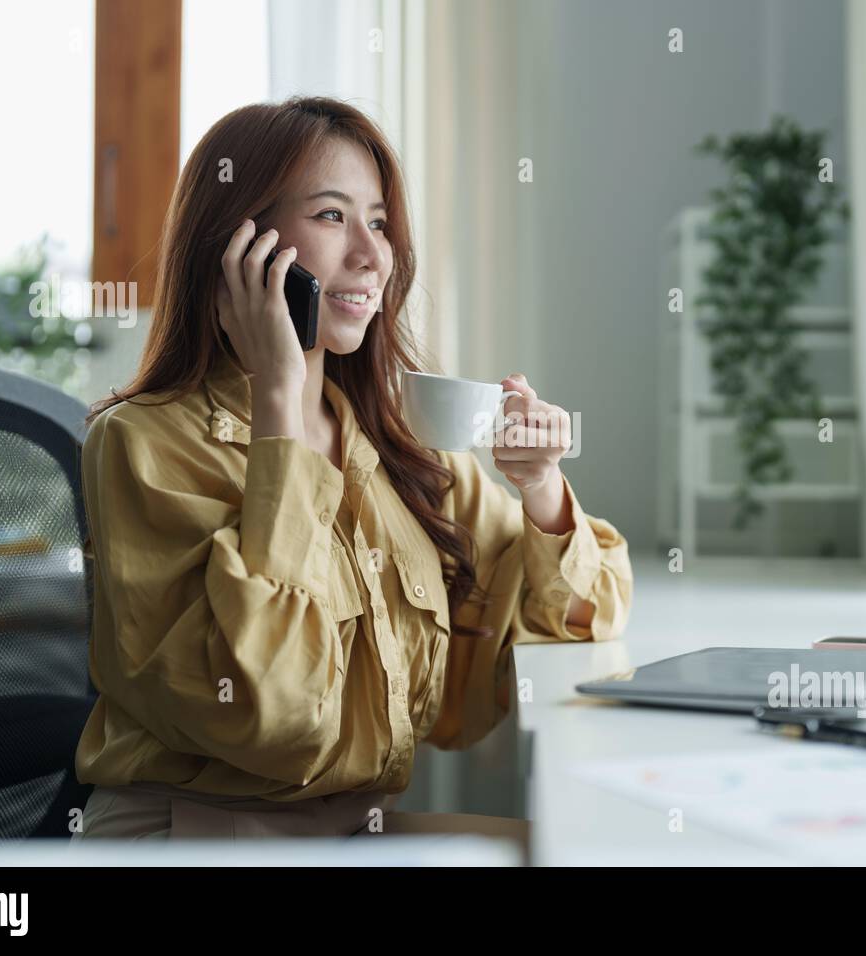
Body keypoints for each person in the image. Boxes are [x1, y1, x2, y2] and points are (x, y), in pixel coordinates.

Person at [69, 96, 633, 856]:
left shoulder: (397, 444)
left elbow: (573, 627)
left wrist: (539, 493)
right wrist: (278, 399)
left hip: (346, 838)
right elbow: (272, 713)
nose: (373, 255)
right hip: (195, 839)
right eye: (333, 217)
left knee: (586, 855)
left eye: (379, 221)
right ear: (240, 243)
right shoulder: (142, 444)